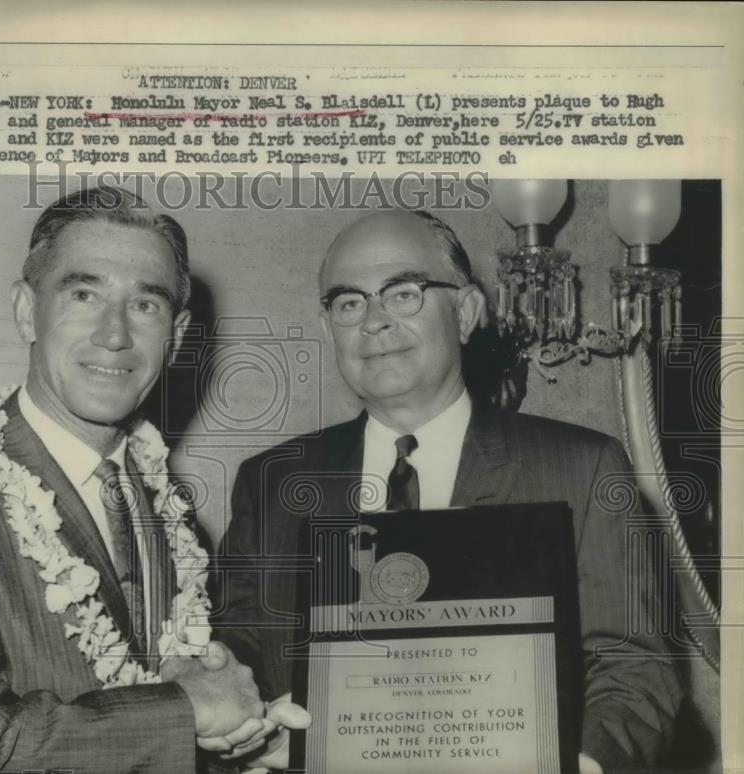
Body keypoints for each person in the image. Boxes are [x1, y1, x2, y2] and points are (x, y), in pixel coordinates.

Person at [0, 186, 304, 772]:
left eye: (146, 305)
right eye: (84, 293)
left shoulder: (171, 513)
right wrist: (185, 711)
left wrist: (247, 739)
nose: (115, 334)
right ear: (25, 310)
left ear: (179, 335)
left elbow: (147, 714)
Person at [213, 209, 683, 773]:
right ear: (327, 328)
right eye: (349, 302)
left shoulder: (581, 467)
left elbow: (634, 669)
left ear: (466, 312)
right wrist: (241, 723)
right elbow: (237, 653)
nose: (374, 321)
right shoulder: (272, 481)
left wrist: (583, 764)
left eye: (403, 293)